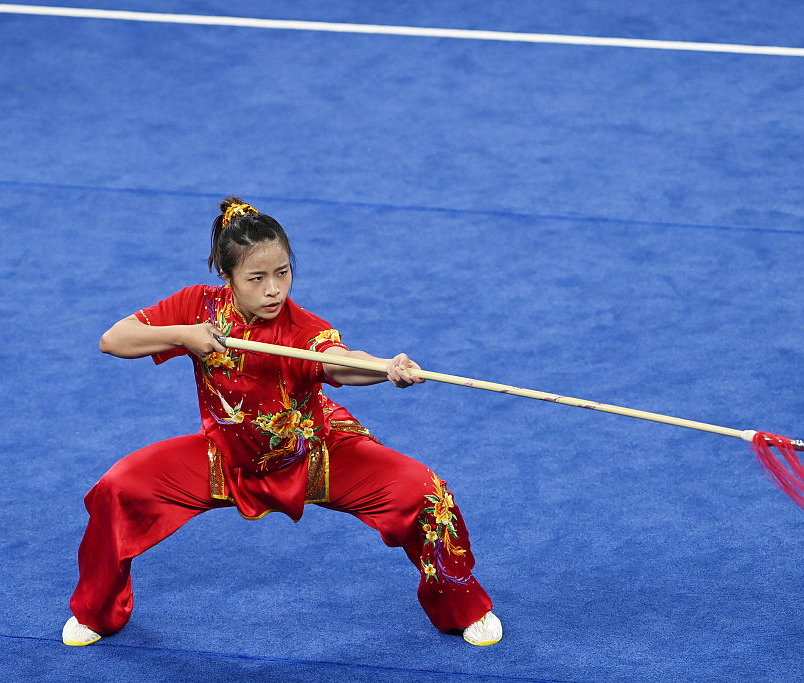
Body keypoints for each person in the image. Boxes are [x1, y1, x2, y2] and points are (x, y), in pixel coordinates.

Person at [62, 197, 502, 647]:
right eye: (257, 278)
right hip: (227, 458)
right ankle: (98, 611)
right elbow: (112, 340)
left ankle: (463, 606)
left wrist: (385, 367)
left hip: (314, 454)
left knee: (427, 493)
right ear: (227, 277)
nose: (274, 290)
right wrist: (184, 335)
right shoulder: (198, 308)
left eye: (283, 273)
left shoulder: (303, 328)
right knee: (117, 490)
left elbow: (340, 363)